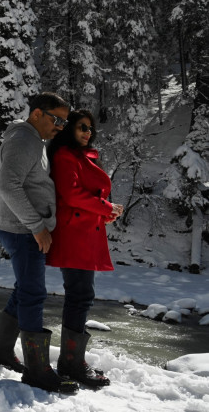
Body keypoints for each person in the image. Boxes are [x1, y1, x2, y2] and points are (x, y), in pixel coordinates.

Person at [0, 92, 78, 394]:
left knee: (25, 289)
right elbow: (8, 186)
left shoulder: (33, 140)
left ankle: (1, 351)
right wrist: (38, 227)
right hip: (23, 231)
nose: (60, 126)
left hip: (21, 228)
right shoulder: (24, 140)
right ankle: (38, 370)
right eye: (56, 119)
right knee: (33, 293)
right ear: (37, 113)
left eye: (64, 121)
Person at [47, 109, 123, 388]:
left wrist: (105, 213)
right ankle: (71, 363)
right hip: (74, 236)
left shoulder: (79, 156)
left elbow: (82, 199)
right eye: (81, 127)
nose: (87, 132)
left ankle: (71, 361)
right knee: (80, 296)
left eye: (90, 128)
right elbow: (70, 194)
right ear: (69, 129)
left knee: (81, 295)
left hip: (83, 234)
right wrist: (104, 207)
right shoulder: (65, 156)